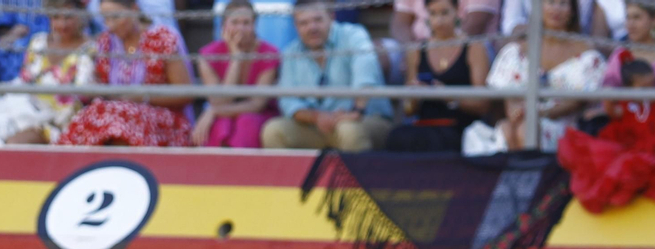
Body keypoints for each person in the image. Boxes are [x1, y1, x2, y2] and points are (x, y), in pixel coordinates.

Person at [467, 0, 604, 154]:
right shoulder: (517, 50)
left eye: (562, 3)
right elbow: (508, 95)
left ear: (572, 11)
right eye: (551, 3)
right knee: (506, 128)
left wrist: (540, 113)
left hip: (564, 127)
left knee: (526, 129)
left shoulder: (586, 53)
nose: (556, 9)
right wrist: (514, 109)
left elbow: (579, 101)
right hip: (521, 122)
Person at [261, 0, 392, 152]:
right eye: (304, 23)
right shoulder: (291, 52)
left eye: (318, 20)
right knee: (273, 132)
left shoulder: (354, 35)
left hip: (366, 118)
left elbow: (365, 75)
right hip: (318, 125)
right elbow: (288, 101)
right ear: (296, 27)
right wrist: (317, 117)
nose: (312, 28)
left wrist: (357, 110)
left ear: (332, 17)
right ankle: (301, 177)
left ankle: (359, 176)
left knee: (348, 131)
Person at [59, 0, 194, 147]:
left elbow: (185, 94)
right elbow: (104, 87)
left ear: (135, 10)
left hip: (163, 120)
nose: (110, 25)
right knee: (92, 115)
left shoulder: (162, 39)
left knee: (118, 121)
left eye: (115, 17)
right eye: (105, 19)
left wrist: (143, 96)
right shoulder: (106, 42)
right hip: (113, 115)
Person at [0, 0, 95, 146]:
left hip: (66, 122)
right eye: (56, 17)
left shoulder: (92, 49)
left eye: (68, 17)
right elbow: (25, 80)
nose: (62, 24)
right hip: (30, 114)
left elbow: (83, 95)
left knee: (16, 143)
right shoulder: (38, 41)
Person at [385, 0, 489, 152]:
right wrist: (414, 95)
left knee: (441, 140)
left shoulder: (474, 48)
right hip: (425, 127)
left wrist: (449, 97)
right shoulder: (416, 51)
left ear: (457, 12)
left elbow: (483, 104)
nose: (439, 20)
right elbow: (408, 109)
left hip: (459, 126)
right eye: (433, 13)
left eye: (444, 13)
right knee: (396, 137)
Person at [193, 0, 279, 149]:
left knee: (247, 122)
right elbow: (220, 101)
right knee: (220, 125)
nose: (241, 28)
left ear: (254, 25)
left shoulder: (269, 54)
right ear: (224, 25)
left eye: (246, 23)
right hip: (224, 113)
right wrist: (236, 59)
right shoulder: (208, 55)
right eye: (235, 22)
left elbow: (257, 104)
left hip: (258, 115)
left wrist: (213, 111)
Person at [600, 0, 655, 90]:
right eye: (628, 18)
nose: (630, 24)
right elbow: (606, 96)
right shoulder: (620, 54)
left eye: (637, 18)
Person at [391, 0, 499, 45]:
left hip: (464, 45)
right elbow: (400, 23)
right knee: (377, 51)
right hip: (417, 47)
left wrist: (436, 51)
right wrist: (412, 51)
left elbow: (475, 25)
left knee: (476, 47)